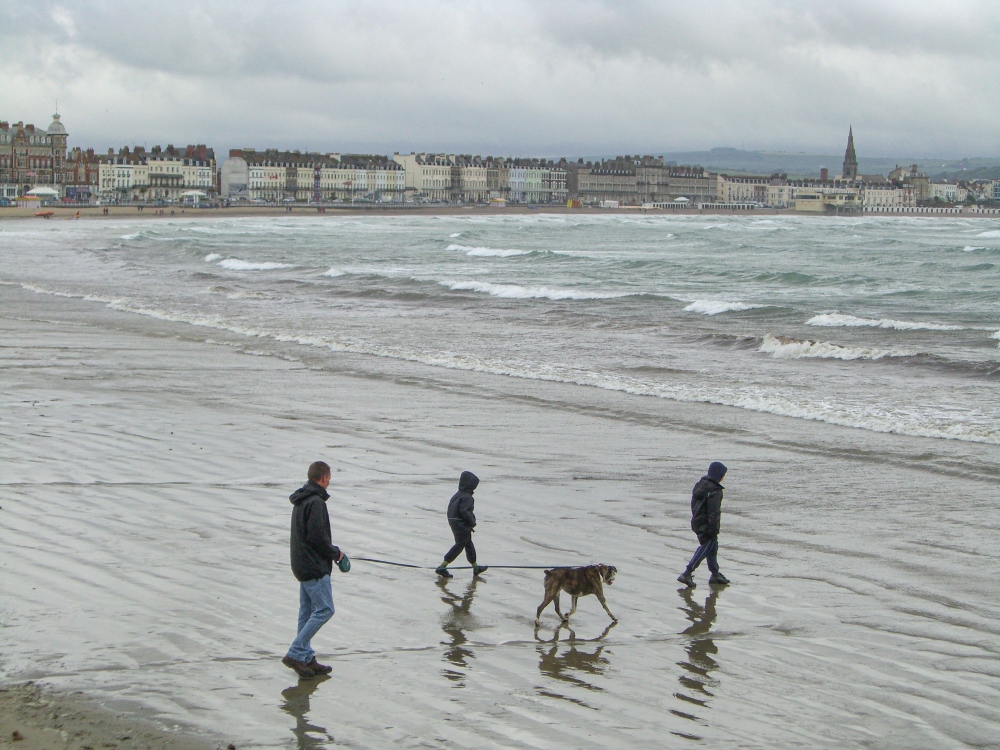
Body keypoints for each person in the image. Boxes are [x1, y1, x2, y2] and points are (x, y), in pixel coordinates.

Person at [282, 461, 344, 678]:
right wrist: (335, 553)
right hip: (313, 566)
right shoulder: (316, 502)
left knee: (306, 612)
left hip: (300, 564)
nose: (329, 483)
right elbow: (317, 537)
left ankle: (306, 657)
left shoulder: (301, 499)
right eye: (329, 479)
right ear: (324, 478)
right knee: (326, 609)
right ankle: (296, 652)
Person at [677, 462, 730, 588]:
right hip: (707, 524)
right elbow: (714, 513)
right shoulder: (715, 491)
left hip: (697, 521)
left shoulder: (700, 485)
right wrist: (714, 529)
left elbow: (694, 505)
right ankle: (687, 573)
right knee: (707, 546)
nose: (724, 477)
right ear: (718, 475)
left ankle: (715, 574)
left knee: (713, 547)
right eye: (723, 475)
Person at [436, 471, 488, 578]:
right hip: (461, 523)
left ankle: (475, 567)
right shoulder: (467, 497)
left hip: (454, 521)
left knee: (468, 544)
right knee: (460, 545)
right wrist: (472, 522)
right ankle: (442, 567)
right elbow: (465, 511)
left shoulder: (457, 495)